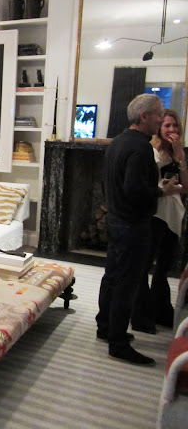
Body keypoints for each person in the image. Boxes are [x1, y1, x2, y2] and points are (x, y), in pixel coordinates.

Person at [95, 93, 179, 366]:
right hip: (133, 224)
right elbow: (134, 190)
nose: (160, 119)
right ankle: (118, 343)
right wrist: (161, 191)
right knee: (127, 284)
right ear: (144, 116)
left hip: (116, 219)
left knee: (112, 276)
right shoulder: (141, 148)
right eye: (158, 114)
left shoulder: (117, 142)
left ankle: (105, 327)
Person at [131, 109, 187, 332]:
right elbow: (150, 186)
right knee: (144, 266)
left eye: (175, 126)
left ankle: (161, 310)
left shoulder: (178, 153)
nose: (172, 130)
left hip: (174, 213)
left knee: (164, 266)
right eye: (167, 126)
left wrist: (180, 158)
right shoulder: (151, 152)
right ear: (158, 128)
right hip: (154, 214)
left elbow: (186, 187)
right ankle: (141, 315)